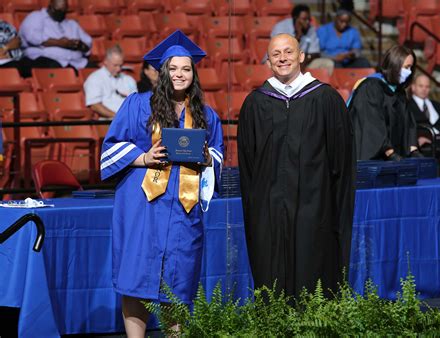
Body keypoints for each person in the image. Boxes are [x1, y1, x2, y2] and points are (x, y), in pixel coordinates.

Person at [100, 30, 224, 337]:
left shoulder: (206, 115)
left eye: (186, 69)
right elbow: (111, 147)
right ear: (163, 72)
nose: (180, 74)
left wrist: (208, 158)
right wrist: (145, 157)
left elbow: (219, 156)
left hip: (184, 207)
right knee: (137, 278)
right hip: (143, 202)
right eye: (173, 68)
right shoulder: (137, 104)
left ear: (193, 74)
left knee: (178, 280)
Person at [238, 33, 355, 298]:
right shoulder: (256, 103)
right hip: (269, 210)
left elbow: (341, 161)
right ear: (268, 61)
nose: (282, 58)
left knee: (313, 269)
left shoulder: (326, 100)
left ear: (301, 56)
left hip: (315, 208)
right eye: (276, 54)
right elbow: (248, 165)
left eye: (288, 52)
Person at [349, 45, 422, 160]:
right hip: (369, 159)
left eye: (411, 68)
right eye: (406, 67)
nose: (409, 72)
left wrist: (413, 150)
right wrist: (390, 153)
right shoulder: (370, 87)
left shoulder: (399, 92)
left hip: (392, 157)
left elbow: (408, 122)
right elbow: (373, 124)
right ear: (394, 65)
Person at [19, 0, 92, 74]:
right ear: (50, 6)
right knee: (57, 70)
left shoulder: (71, 23)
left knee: (96, 70)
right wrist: (61, 43)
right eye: (58, 10)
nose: (61, 13)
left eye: (64, 11)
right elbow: (32, 38)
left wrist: (80, 45)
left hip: (76, 62)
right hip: (46, 60)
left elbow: (88, 45)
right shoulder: (37, 17)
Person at [270, 4, 334, 73]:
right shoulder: (281, 27)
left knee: (328, 63)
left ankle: (317, 83)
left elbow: (315, 53)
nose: (307, 22)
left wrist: (303, 60)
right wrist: (298, 36)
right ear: (295, 18)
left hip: (304, 61)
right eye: (304, 19)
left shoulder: (310, 29)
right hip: (281, 60)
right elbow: (279, 50)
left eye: (308, 19)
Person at [84, 45, 137, 119]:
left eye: (120, 65)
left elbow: (135, 102)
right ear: (105, 61)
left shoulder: (128, 79)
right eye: (115, 65)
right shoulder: (95, 79)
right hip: (108, 120)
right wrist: (117, 117)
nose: (118, 69)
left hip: (130, 119)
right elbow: (94, 105)